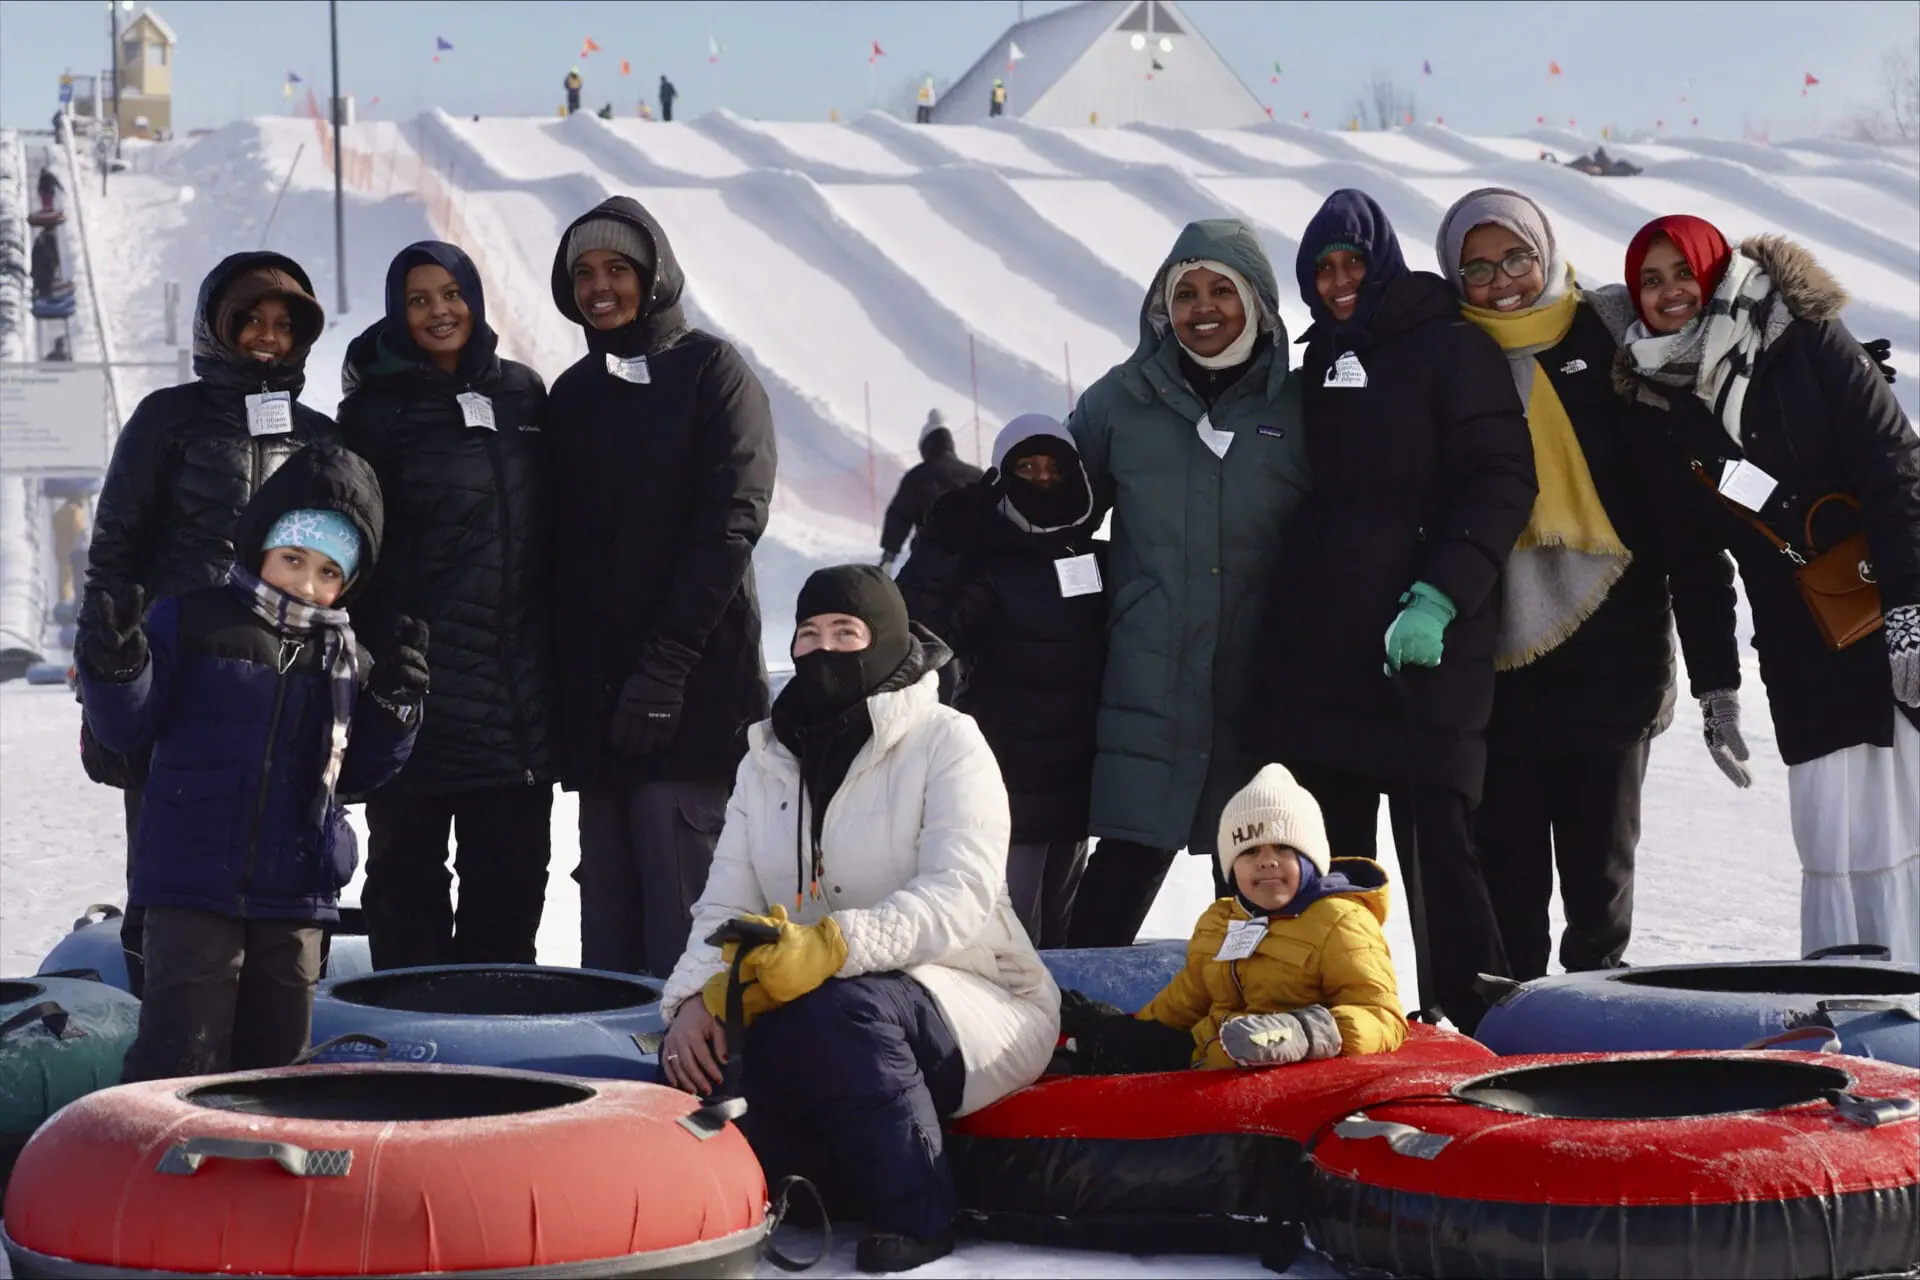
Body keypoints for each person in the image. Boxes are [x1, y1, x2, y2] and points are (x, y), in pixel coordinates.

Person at [658, 566, 1060, 1274]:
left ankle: (919, 1212)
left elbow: (959, 892)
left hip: (976, 998)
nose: (825, 652)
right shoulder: (768, 760)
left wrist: (833, 944)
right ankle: (812, 1185)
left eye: (848, 633)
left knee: (840, 1010)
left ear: (890, 640)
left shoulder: (947, 741)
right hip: (818, 1002)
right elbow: (724, 905)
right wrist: (693, 999)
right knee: (719, 1057)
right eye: (808, 635)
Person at [1432, 189, 1741, 981]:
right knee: (1509, 889)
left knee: (1599, 895)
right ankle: (1517, 1060)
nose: (1501, 281)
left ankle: (1597, 1057)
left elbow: (1686, 513)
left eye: (1516, 258)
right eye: (1477, 268)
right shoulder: (1444, 360)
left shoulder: (1609, 335)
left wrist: (1716, 679)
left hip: (1614, 659)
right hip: (1493, 667)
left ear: (1546, 250)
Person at [1246, 190, 1535, 1034]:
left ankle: (1479, 1026)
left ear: (1384, 266)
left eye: (1352, 265)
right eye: (1322, 270)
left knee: (1441, 850)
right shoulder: (1320, 365)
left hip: (1425, 651)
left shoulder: (1451, 349)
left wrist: (1442, 594)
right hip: (1328, 657)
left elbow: (1501, 478)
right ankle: (1345, 1019)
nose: (1338, 283)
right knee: (1335, 866)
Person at [1614, 215, 1920, 963]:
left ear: (1714, 270)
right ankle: (1863, 1014)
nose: (1669, 292)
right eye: (1650, 282)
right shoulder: (1659, 407)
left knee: (1910, 817)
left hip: (1892, 622)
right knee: (1835, 836)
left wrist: (1912, 615)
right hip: (1799, 648)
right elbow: (1693, 565)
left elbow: (1897, 468)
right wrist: (1717, 688)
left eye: (1681, 272)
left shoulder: (1803, 337)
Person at [77, 444, 426, 1081]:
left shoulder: (348, 659)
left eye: (327, 572)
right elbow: (126, 726)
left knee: (278, 1070)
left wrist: (398, 707)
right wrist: (118, 665)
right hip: (192, 886)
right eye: (293, 558)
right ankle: (159, 1172)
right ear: (260, 543)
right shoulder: (192, 620)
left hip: (295, 895)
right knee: (179, 1058)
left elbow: (360, 773)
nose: (306, 582)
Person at [84, 251, 336, 997]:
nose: (266, 336)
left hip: (284, 692)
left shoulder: (321, 436)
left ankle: (276, 1042)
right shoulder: (169, 418)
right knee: (166, 869)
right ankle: (154, 1027)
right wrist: (101, 689)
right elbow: (115, 550)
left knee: (281, 871)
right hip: (176, 683)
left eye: (282, 324)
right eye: (250, 319)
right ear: (218, 325)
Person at [546, 196, 777, 978]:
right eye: (584, 272)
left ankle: (703, 1086)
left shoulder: (711, 371)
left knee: (685, 916)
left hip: (690, 700)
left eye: (617, 269)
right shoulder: (573, 394)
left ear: (654, 278)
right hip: (601, 715)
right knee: (607, 919)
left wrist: (667, 666)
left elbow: (731, 522)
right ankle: (614, 1083)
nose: (599, 287)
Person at [1065, 217, 1309, 948]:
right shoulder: (1119, 403)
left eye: (1222, 290)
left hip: (1259, 684)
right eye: (1186, 293)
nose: (1203, 308)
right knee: (1125, 868)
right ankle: (1070, 1026)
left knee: (1256, 877)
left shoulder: (1297, 408)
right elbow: (1056, 515)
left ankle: (1256, 1040)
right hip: (1149, 683)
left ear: (1258, 301)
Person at [338, 241, 557, 971]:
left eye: (451, 293)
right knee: (406, 897)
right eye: (419, 299)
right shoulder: (371, 416)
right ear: (398, 313)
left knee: (511, 896)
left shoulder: (524, 396)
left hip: (514, 701)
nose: (440, 312)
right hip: (416, 695)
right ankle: (411, 1064)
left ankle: (504, 1069)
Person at [896, 413, 1105, 948]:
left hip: (1080, 776)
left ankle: (1067, 1032)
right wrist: (941, 544)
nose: (1040, 480)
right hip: (1008, 773)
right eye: (1026, 467)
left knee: (1067, 941)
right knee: (1007, 938)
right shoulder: (987, 564)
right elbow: (917, 632)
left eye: (1053, 468)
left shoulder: (1099, 559)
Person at [1064, 764, 1406, 1073]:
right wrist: (1124, 1029)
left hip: (1290, 1076)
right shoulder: (1221, 920)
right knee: (1103, 1044)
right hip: (1211, 1059)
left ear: (1311, 859)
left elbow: (1381, 1015)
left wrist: (1306, 1032)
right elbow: (1186, 999)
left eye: (1284, 849)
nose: (1267, 861)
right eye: (1250, 851)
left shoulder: (1340, 921)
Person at [879, 409, 982, 570]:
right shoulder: (976, 475)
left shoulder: (917, 476)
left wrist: (889, 556)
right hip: (974, 561)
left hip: (928, 561)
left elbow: (899, 516)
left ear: (926, 446)